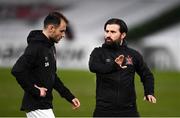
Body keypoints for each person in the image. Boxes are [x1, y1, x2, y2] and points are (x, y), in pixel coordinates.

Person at [11, 11, 80, 118]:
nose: (63, 35)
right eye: (61, 31)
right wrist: (36, 91)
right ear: (51, 28)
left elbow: (52, 76)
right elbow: (17, 70)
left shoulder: (50, 46)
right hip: (37, 106)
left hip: (44, 105)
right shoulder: (36, 47)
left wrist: (69, 96)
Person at [89, 18, 156, 117]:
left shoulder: (133, 54)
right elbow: (94, 67)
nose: (108, 35)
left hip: (129, 110)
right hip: (103, 110)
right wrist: (114, 66)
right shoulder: (98, 52)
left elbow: (147, 75)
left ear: (123, 35)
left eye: (113, 32)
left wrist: (149, 92)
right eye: (106, 31)